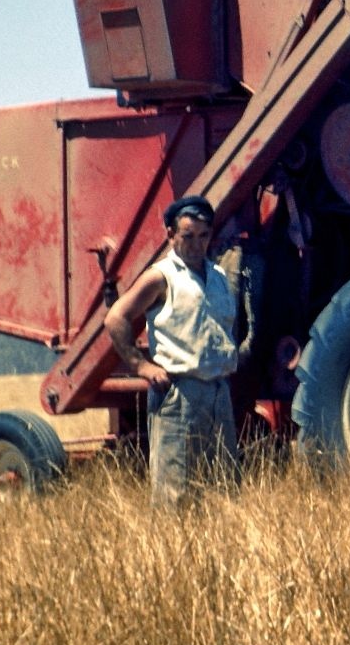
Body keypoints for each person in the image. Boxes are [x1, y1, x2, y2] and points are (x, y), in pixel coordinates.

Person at [105, 195, 246, 507]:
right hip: (180, 394)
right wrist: (140, 366)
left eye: (203, 235)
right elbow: (116, 317)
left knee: (224, 490)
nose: (196, 244)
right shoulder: (161, 276)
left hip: (218, 392)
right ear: (170, 235)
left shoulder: (219, 276)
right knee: (176, 494)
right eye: (187, 236)